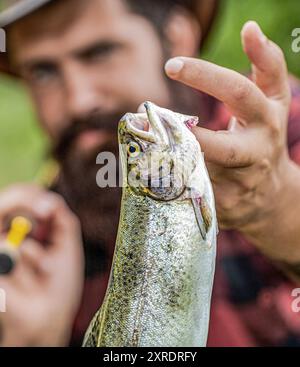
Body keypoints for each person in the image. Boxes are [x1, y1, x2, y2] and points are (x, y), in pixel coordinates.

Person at [0, 0, 300, 347]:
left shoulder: (283, 128)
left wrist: (282, 212)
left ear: (177, 37)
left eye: (99, 52)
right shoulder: (36, 247)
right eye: (43, 71)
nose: (79, 99)